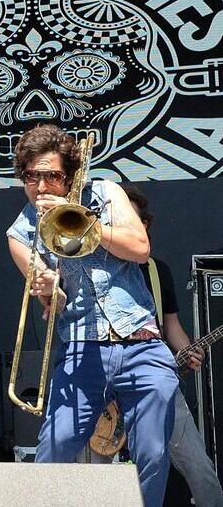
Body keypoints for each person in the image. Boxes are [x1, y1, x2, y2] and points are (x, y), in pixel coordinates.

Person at [6, 124, 177, 507]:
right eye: (31, 176)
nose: (42, 186)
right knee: (54, 448)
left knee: (151, 453)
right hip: (82, 349)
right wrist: (49, 289)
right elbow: (54, 302)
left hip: (141, 344)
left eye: (52, 175)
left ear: (69, 174)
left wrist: (86, 222)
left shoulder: (106, 193)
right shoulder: (20, 232)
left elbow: (140, 249)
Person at [122, 185, 223, 507]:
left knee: (199, 467)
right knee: (103, 472)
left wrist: (189, 350)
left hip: (157, 381)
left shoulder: (156, 270)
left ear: (144, 224)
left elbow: (171, 326)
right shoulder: (93, 269)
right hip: (107, 386)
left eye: (128, 216)